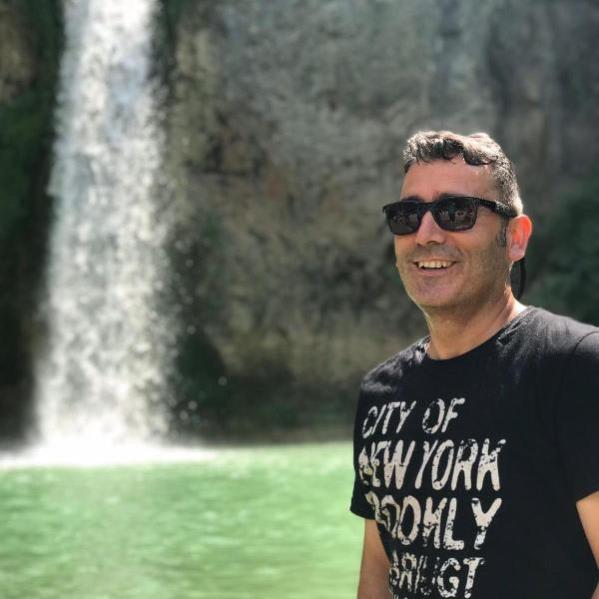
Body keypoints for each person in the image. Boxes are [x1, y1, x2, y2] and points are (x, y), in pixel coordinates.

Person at [350, 130, 599, 599]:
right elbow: (379, 573)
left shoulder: (576, 368)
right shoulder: (379, 395)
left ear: (515, 239)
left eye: (455, 212)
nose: (426, 234)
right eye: (407, 216)